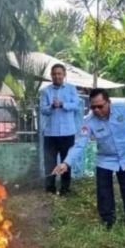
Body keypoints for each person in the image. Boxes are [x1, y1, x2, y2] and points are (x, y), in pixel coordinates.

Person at [53, 88, 125, 229]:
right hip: (105, 160)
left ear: (108, 102)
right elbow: (79, 145)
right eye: (93, 107)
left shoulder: (123, 109)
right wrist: (66, 163)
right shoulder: (88, 121)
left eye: (100, 106)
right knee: (104, 193)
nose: (97, 110)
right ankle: (108, 221)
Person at [40, 64, 81, 195]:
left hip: (67, 133)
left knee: (66, 161)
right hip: (50, 133)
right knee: (49, 161)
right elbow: (43, 110)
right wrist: (51, 106)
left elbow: (76, 105)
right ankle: (50, 188)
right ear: (51, 76)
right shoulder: (45, 91)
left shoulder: (71, 89)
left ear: (64, 75)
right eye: (54, 74)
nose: (57, 76)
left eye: (59, 74)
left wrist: (63, 104)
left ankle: (65, 189)